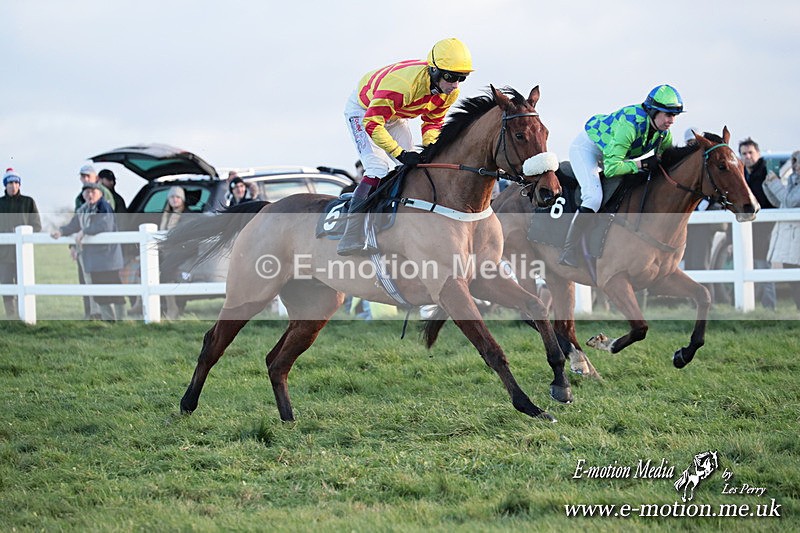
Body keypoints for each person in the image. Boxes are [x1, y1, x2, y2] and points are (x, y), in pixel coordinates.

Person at [338, 37, 474, 256]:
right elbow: (372, 124)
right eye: (450, 77)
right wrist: (399, 153)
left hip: (394, 115)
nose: (455, 85)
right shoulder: (402, 86)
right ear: (434, 71)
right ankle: (350, 234)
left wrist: (431, 151)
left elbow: (432, 123)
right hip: (364, 112)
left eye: (462, 78)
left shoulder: (450, 92)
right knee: (377, 168)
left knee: (417, 168)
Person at [559, 84, 684, 267]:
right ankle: (569, 250)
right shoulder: (630, 125)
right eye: (667, 114)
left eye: (674, 115)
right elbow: (611, 169)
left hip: (613, 155)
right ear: (652, 111)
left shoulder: (663, 135)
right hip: (588, 150)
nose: (671, 120)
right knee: (593, 198)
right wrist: (641, 164)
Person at [51, 182, 126, 321]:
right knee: (99, 290)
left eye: (93, 192)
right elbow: (73, 225)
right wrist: (61, 231)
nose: (90, 195)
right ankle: (109, 320)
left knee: (114, 289)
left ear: (100, 193)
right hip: (93, 258)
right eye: (87, 192)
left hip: (108, 257)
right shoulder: (83, 210)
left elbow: (105, 225)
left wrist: (84, 231)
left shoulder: (104, 207)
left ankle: (122, 319)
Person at [739, 137, 778, 310]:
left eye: (750, 153)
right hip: (748, 227)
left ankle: (769, 306)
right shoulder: (742, 173)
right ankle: (751, 307)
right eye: (744, 153)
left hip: (766, 227)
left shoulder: (766, 172)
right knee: (748, 265)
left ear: (758, 153)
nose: (747, 156)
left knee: (763, 266)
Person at [0, 169, 42, 318]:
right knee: (6, 284)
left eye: (16, 182)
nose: (13, 185)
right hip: (3, 254)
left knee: (23, 282)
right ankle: (11, 315)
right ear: (5, 185)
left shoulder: (28, 202)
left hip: (23, 252)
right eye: (10, 182)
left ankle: (22, 314)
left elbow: (36, 225)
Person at [763, 150, 800, 310]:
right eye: (795, 162)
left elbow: (791, 202)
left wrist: (775, 183)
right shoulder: (793, 182)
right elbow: (780, 203)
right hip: (789, 241)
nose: (797, 166)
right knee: (793, 280)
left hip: (796, 240)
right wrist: (767, 185)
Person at [159, 186, 189, 319]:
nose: (175, 200)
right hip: (169, 250)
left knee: (166, 272)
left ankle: (173, 308)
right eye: (172, 197)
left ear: (182, 199)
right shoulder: (166, 215)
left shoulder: (187, 215)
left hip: (183, 250)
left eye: (177, 197)